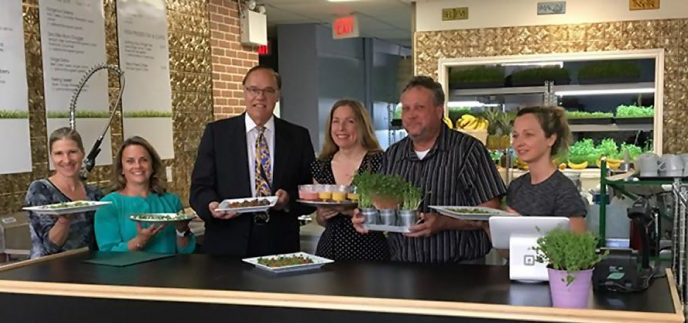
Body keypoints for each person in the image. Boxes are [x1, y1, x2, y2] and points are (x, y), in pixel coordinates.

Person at [353, 76, 507, 263]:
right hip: (404, 266)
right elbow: (384, 205)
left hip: (461, 270)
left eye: (420, 108)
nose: (411, 115)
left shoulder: (467, 151)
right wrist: (366, 217)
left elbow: (490, 212)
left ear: (439, 111)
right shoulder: (393, 154)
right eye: (406, 108)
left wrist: (444, 222)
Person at [189, 65, 315, 257]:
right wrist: (211, 206)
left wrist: (288, 199)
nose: (260, 96)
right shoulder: (217, 134)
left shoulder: (298, 137)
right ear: (244, 92)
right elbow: (199, 188)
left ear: (277, 95)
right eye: (253, 90)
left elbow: (309, 192)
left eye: (268, 90)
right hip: (227, 246)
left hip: (280, 246)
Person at [313, 99, 389, 261]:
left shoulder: (379, 161)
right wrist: (322, 215)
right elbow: (319, 220)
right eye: (336, 121)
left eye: (350, 121)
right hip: (329, 251)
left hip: (370, 251)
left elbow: (389, 211)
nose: (341, 128)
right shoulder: (321, 165)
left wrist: (355, 211)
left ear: (361, 125)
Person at [94, 136, 195, 253]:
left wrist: (182, 230)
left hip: (170, 270)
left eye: (144, 160)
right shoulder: (108, 206)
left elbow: (186, 252)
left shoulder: (172, 201)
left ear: (152, 166)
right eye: (130, 161)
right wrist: (140, 240)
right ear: (122, 169)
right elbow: (108, 255)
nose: (137, 166)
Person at [25, 127, 104, 258]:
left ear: (83, 153)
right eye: (59, 153)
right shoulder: (40, 190)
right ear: (51, 157)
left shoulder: (95, 194)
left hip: (88, 269)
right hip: (47, 271)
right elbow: (49, 246)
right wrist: (64, 220)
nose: (66, 160)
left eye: (72, 152)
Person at [508, 106, 587, 232]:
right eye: (516, 136)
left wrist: (522, 225)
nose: (519, 142)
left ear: (550, 139)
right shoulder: (516, 187)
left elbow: (576, 247)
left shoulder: (564, 191)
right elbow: (506, 249)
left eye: (528, 135)